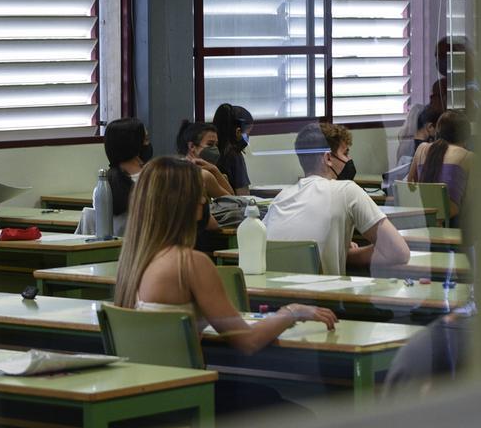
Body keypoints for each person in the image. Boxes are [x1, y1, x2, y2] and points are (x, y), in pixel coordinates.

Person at [113, 156, 337, 356]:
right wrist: (292, 311)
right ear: (185, 203)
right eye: (199, 193)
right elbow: (247, 340)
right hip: (191, 389)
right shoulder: (190, 263)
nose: (204, 200)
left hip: (150, 388)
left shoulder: (134, 263)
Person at [264, 122, 411, 276]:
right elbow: (398, 253)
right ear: (328, 158)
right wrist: (347, 255)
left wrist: (338, 248)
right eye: (345, 153)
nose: (349, 159)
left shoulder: (281, 198)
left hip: (273, 296)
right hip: (320, 297)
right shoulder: (347, 190)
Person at [75, 118, 152, 236]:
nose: (148, 144)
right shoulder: (154, 179)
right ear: (135, 145)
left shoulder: (103, 185)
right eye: (146, 140)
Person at [407, 109, 473, 227]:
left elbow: (411, 184)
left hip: (421, 222)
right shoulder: (468, 157)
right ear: (465, 135)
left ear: (438, 131)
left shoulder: (421, 148)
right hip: (454, 225)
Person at [175, 120, 233, 253]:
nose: (215, 150)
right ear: (192, 147)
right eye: (210, 145)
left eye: (216, 145)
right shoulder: (203, 175)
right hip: (199, 242)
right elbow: (233, 201)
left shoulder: (173, 167)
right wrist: (215, 170)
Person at [428, 36, 480, 122]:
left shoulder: (473, 87)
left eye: (442, 56)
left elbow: (472, 115)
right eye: (437, 56)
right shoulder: (441, 85)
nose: (438, 61)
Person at [212, 103, 254, 195]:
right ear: (238, 132)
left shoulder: (213, 151)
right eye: (247, 133)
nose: (247, 137)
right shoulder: (234, 155)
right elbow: (243, 194)